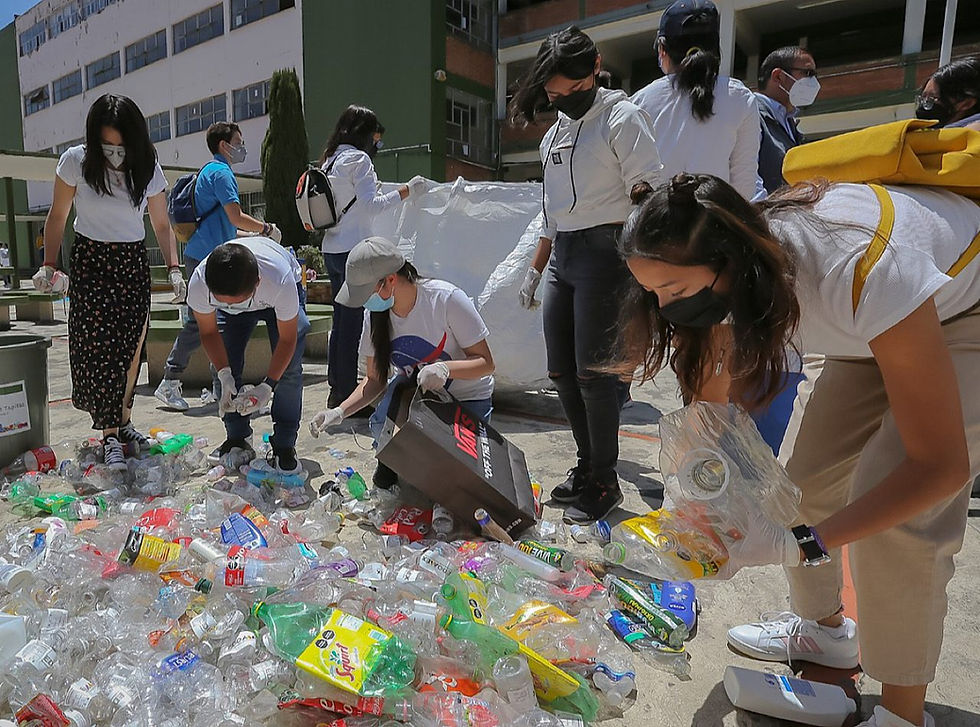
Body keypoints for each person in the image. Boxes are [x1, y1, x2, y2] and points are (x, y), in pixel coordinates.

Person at [615, 173, 980, 727]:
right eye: (655, 294)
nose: (668, 310)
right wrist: (699, 503)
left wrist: (798, 546)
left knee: (900, 524)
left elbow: (938, 467)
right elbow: (709, 406)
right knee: (803, 486)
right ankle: (828, 631)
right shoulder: (725, 264)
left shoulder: (854, 268)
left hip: (959, 311)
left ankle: (903, 715)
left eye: (678, 293)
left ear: (732, 262)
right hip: (868, 326)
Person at [511, 26, 662, 524]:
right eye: (555, 94)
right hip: (565, 257)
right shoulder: (554, 135)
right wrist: (535, 269)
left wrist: (643, 269)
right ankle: (585, 464)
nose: (566, 100)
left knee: (596, 376)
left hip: (608, 251)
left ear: (595, 68)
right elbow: (551, 213)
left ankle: (605, 479)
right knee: (561, 373)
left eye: (574, 90)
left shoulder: (621, 117)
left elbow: (648, 195)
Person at [36, 94, 183, 469]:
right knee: (99, 348)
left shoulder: (146, 165)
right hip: (91, 261)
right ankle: (109, 434)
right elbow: (58, 216)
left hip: (131, 262)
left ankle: (124, 418)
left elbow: (162, 224)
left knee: (132, 346)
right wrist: (49, 264)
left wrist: (174, 268)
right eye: (107, 145)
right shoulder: (76, 161)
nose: (115, 153)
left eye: (122, 145)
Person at [309, 236, 494, 489]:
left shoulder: (446, 300)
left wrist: (444, 368)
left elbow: (485, 363)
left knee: (458, 472)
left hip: (467, 396)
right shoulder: (375, 316)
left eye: (367, 292)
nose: (364, 302)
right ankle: (392, 464)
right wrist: (340, 412)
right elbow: (375, 379)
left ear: (390, 280)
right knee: (384, 427)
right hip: (417, 394)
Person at [154, 121, 282, 412]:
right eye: (238, 140)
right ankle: (171, 380)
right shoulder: (222, 173)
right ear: (224, 145)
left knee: (214, 321)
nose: (242, 147)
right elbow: (235, 217)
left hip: (209, 254)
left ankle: (215, 387)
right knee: (200, 322)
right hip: (207, 258)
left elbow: (226, 227)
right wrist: (266, 228)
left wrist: (253, 235)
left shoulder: (209, 171)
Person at [318, 105, 426, 411]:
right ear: (365, 134)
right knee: (352, 326)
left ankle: (336, 389)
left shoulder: (329, 160)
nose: (376, 143)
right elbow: (370, 206)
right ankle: (349, 396)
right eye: (375, 136)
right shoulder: (358, 159)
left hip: (331, 250)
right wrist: (407, 191)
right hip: (355, 253)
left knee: (341, 325)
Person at [186, 237, 309, 474]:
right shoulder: (201, 282)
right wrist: (224, 374)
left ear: (258, 283)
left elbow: (287, 339)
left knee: (290, 370)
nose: (233, 306)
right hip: (239, 294)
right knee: (223, 364)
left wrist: (268, 386)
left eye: (238, 302)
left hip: (274, 301)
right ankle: (237, 437)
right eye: (223, 302)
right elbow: (210, 332)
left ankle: (284, 444)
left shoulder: (279, 279)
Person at [631, 0, 761, 202]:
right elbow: (744, 183)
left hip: (657, 223)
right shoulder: (741, 97)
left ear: (662, 49)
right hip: (716, 223)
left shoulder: (639, 102)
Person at [754, 46, 819, 195]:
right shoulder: (751, 114)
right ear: (778, 76)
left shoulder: (790, 124)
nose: (814, 82)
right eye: (808, 73)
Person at [915, 56, 980, 130]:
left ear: (967, 103)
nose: (924, 104)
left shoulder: (971, 135)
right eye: (923, 98)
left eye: (932, 98)